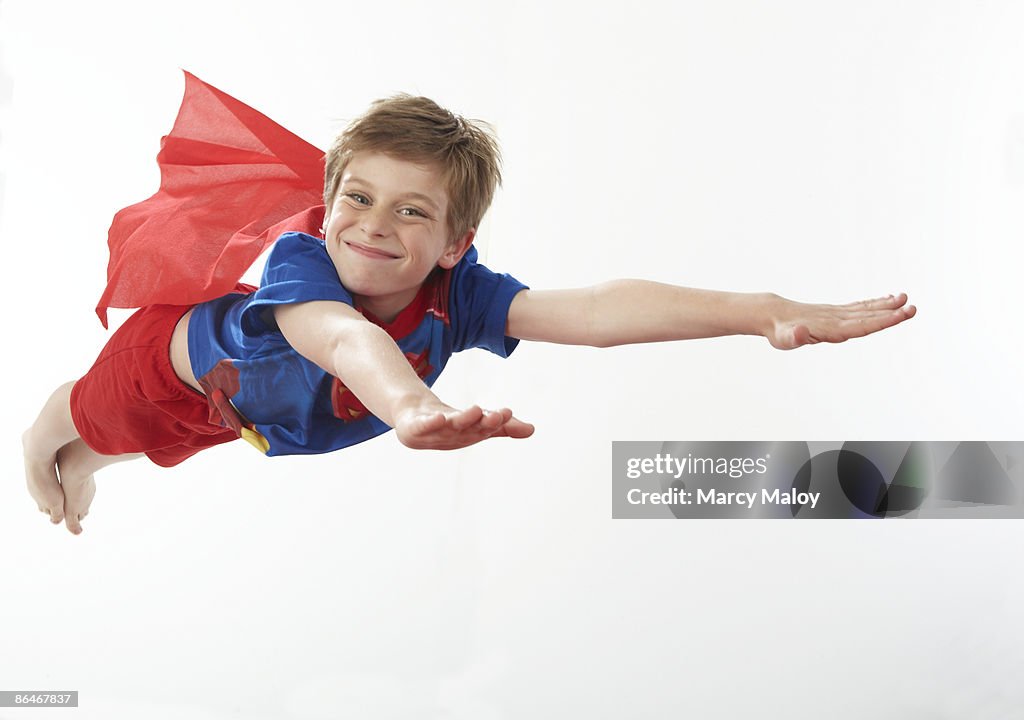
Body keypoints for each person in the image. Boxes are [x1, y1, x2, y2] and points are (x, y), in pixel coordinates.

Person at [22, 74, 916, 535]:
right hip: (163, 369)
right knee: (102, 421)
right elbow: (339, 342)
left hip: (241, 418)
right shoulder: (303, 264)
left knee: (152, 449)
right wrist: (414, 404)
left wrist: (759, 309)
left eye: (412, 211)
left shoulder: (461, 295)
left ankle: (89, 466)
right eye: (357, 199)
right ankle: (38, 439)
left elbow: (598, 312)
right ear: (329, 202)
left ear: (454, 242)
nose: (373, 227)